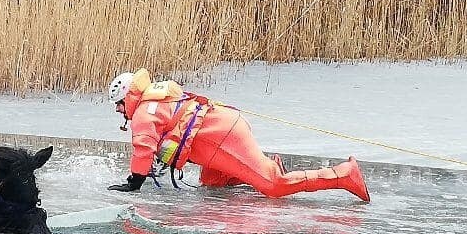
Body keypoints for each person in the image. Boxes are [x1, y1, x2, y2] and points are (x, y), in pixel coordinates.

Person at [106, 68, 370, 201]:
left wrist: (134, 183)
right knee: (213, 187)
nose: (119, 111)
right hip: (223, 128)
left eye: (118, 105)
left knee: (274, 186)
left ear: (126, 97)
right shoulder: (156, 99)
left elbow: (143, 148)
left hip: (222, 138)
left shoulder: (143, 112)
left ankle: (344, 175)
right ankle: (262, 167)